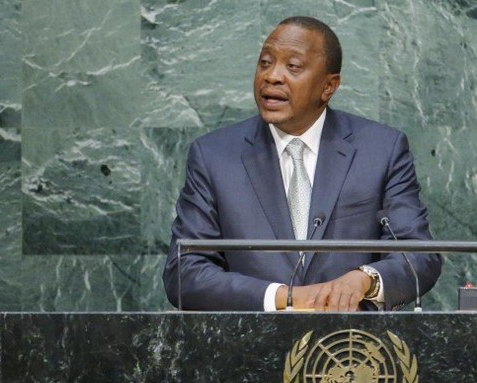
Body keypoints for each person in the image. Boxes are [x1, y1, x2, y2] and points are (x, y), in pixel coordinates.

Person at [163, 16, 441, 311]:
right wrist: (286, 297)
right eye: (265, 63)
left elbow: (418, 255)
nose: (272, 76)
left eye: (292, 67)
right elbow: (185, 272)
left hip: (349, 347)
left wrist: (365, 280)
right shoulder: (214, 156)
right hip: (249, 346)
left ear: (328, 86)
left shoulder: (381, 149)